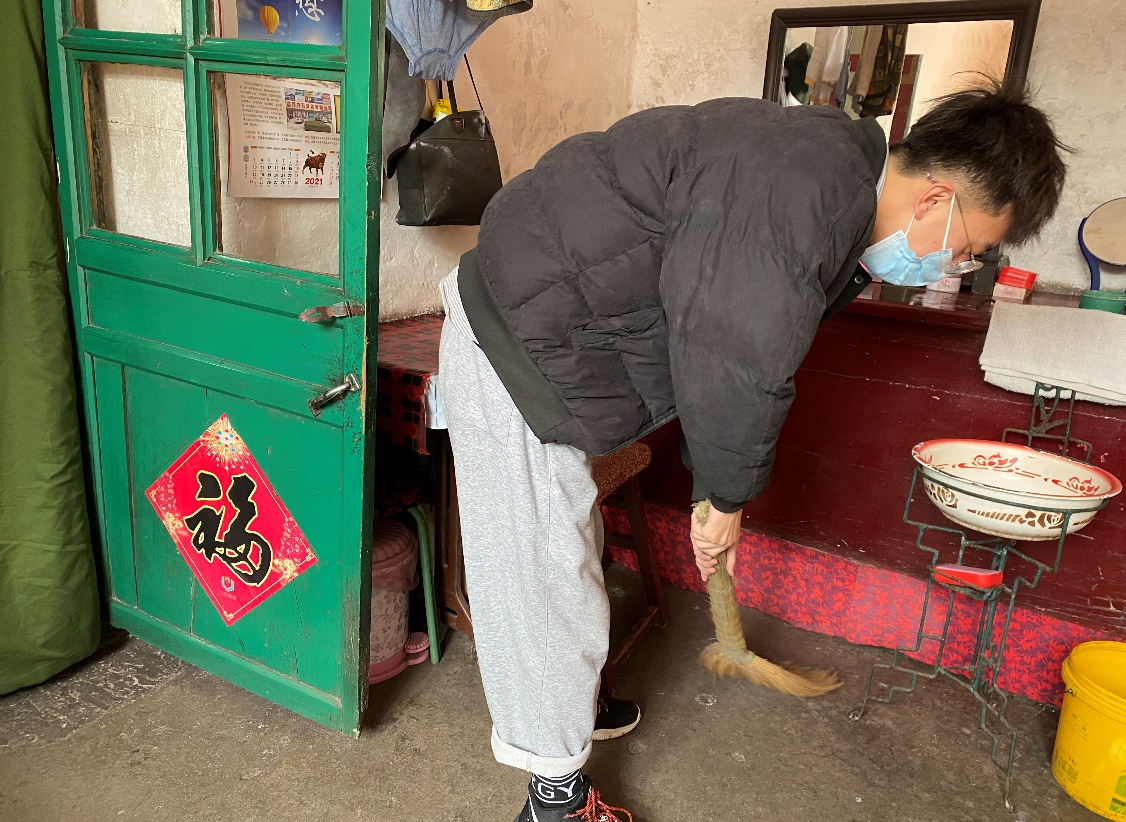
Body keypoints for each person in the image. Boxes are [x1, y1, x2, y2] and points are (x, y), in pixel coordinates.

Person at [436, 81, 1067, 822]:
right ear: (936, 199)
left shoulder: (825, 175)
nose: (954, 265)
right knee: (537, 574)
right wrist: (725, 499)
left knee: (563, 549)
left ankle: (568, 707)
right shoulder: (802, 188)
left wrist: (716, 490)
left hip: (553, 329)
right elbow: (734, 351)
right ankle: (554, 795)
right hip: (514, 340)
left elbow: (725, 338)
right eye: (967, 248)